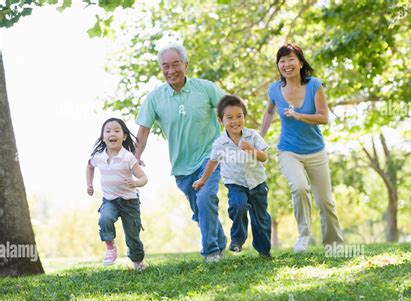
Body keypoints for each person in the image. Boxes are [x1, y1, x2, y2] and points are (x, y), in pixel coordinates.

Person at [135, 44, 227, 262]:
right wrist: (134, 159)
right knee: (200, 210)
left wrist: (235, 136)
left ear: (186, 65)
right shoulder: (155, 98)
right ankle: (220, 241)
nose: (171, 70)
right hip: (181, 165)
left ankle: (211, 252)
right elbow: (143, 131)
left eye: (175, 64)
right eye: (165, 66)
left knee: (205, 198)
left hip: (210, 156)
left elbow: (232, 108)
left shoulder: (205, 88)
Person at [260, 43, 344, 253]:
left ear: (300, 62)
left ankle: (333, 245)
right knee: (299, 187)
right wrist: (260, 136)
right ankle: (303, 237)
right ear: (278, 65)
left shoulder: (314, 85)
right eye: (282, 61)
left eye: (290, 59)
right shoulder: (274, 90)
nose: (286, 64)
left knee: (325, 201)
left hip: (316, 151)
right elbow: (270, 112)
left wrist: (299, 115)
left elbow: (323, 118)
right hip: (289, 150)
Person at [193, 95, 272, 257]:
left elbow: (264, 157)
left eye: (239, 116)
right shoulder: (219, 143)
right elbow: (213, 162)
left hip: (257, 183)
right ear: (221, 120)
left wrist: (251, 150)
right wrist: (202, 180)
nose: (235, 121)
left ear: (244, 116)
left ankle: (264, 251)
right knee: (238, 205)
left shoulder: (253, 136)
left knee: (261, 219)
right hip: (235, 183)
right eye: (229, 117)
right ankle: (237, 239)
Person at [86, 118, 148, 270]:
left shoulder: (128, 157)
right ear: (102, 136)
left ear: (124, 136)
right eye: (107, 131)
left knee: (133, 236)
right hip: (110, 200)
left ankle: (137, 260)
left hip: (129, 202)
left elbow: (144, 178)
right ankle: (110, 248)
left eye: (116, 130)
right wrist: (89, 183)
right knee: (105, 219)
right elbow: (89, 166)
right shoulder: (99, 156)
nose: (111, 134)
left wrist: (136, 183)